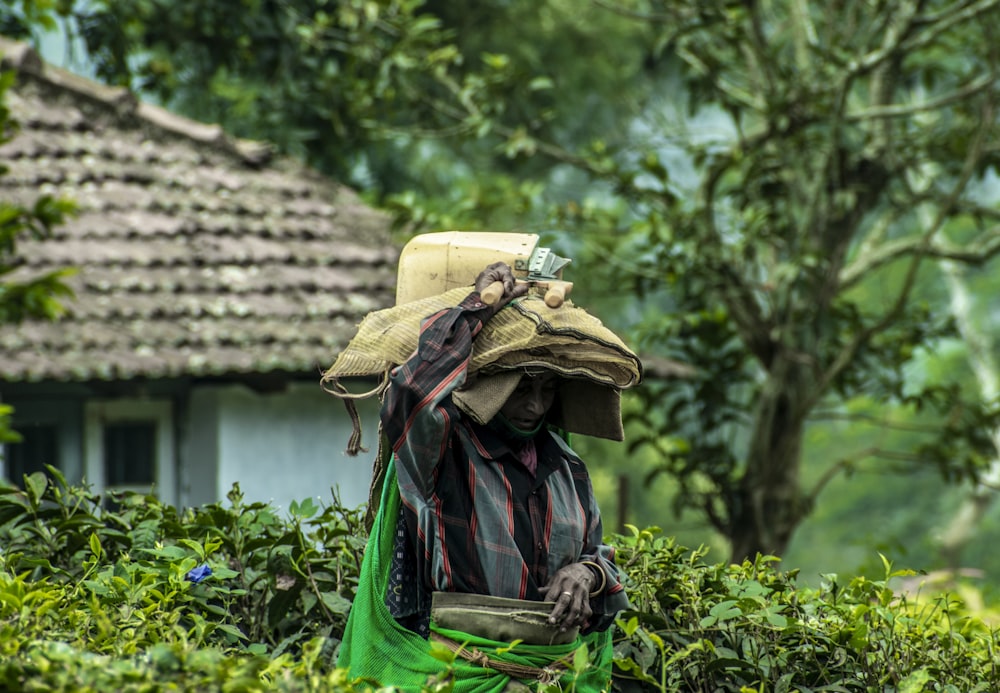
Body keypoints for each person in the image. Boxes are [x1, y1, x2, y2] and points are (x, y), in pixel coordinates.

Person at [338, 261, 635, 692]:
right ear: (490, 381)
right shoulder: (446, 455)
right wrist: (475, 308)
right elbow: (411, 397)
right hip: (460, 675)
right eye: (522, 386)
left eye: (546, 388)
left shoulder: (568, 469)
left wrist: (587, 574)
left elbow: (600, 556)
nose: (535, 406)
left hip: (555, 677)